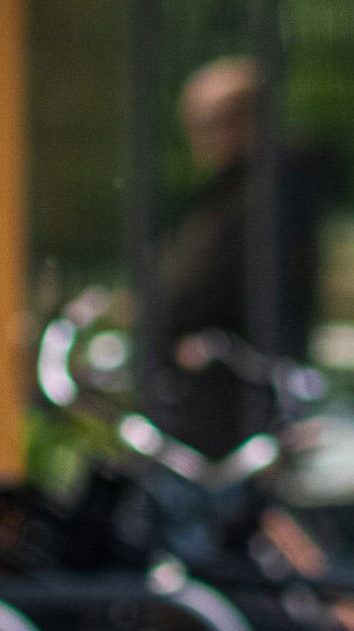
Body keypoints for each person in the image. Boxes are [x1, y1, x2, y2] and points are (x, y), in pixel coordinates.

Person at [141, 56, 332, 459]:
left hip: (239, 397)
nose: (197, 139)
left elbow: (207, 281)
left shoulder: (269, 191)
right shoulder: (241, 191)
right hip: (221, 392)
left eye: (207, 124)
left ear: (246, 121)